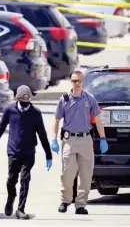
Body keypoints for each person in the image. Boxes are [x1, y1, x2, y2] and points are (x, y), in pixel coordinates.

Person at [0, 85, 52, 219]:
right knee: (11, 180)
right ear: (18, 98)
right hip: (13, 151)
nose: (26, 100)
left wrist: (48, 155)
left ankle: (21, 208)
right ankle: (10, 199)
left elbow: (42, 135)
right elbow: (0, 128)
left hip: (29, 152)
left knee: (25, 179)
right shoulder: (10, 110)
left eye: (28, 98)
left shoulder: (35, 113)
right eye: (23, 98)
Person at [51, 70, 108, 215]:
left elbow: (98, 120)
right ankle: (65, 200)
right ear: (71, 82)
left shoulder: (90, 99)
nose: (77, 84)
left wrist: (103, 139)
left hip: (86, 140)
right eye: (74, 81)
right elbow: (56, 120)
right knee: (67, 173)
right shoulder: (64, 99)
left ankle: (81, 205)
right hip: (69, 140)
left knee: (86, 174)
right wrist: (54, 138)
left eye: (79, 81)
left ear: (83, 82)